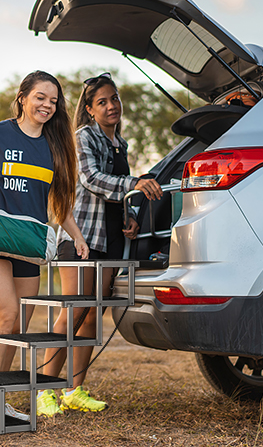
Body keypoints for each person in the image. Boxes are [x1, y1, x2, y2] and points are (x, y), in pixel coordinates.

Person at [0, 70, 89, 420]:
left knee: (18, 328)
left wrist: (77, 235)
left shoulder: (55, 145)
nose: (47, 105)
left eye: (54, 101)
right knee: (5, 316)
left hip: (29, 243)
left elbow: (60, 202)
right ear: (22, 97)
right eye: (40, 97)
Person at [38, 72, 163, 416]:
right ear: (90, 110)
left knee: (93, 316)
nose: (112, 106)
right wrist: (134, 183)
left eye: (115, 99)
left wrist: (129, 217)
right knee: (75, 310)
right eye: (103, 102)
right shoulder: (83, 137)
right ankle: (44, 389)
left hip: (108, 239)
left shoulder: (118, 143)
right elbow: (91, 179)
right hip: (79, 237)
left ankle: (73, 390)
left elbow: (114, 195)